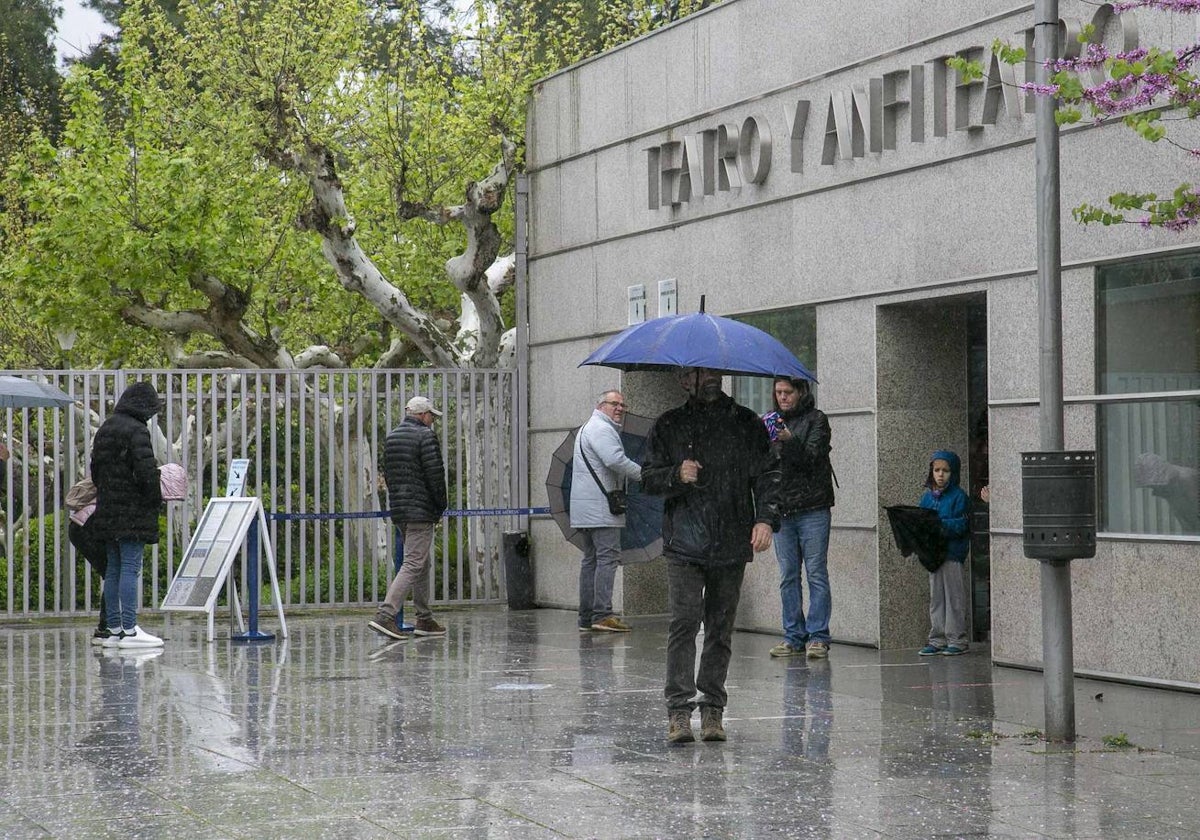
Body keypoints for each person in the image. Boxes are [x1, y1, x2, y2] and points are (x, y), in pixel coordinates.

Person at [642, 366, 780, 743]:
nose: (711, 378)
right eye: (701, 373)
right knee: (684, 624)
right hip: (684, 542)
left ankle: (713, 709)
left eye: (715, 371)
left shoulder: (745, 423)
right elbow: (647, 477)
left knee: (720, 628)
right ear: (684, 380)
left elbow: (767, 475)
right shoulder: (669, 424)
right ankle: (678, 711)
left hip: (732, 540)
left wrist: (766, 519)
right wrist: (675, 474)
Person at [89, 382, 165, 648]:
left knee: (113, 568)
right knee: (131, 567)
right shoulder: (137, 431)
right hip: (133, 511)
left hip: (108, 508)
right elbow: (146, 473)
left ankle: (113, 628)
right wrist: (156, 498)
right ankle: (131, 630)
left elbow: (95, 471)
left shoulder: (105, 429)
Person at [766, 376, 835, 661]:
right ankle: (793, 635)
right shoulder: (773, 422)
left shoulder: (816, 419)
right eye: (778, 392)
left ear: (800, 392)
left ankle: (818, 636)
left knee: (816, 572)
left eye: (788, 392)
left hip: (813, 506)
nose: (783, 397)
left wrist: (788, 440)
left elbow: (812, 457)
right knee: (788, 575)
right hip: (783, 508)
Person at [369, 396, 449, 641]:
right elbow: (435, 475)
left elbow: (389, 476)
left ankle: (424, 618)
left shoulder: (392, 437)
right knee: (414, 563)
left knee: (420, 563)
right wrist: (441, 505)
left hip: (401, 511)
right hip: (421, 511)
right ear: (422, 415)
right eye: (431, 416)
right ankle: (386, 614)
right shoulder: (425, 437)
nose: (433, 421)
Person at [570, 390, 642, 632]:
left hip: (586, 508)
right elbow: (615, 460)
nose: (620, 408)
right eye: (614, 403)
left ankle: (586, 617)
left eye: (623, 404)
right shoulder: (601, 428)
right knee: (607, 558)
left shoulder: (588, 427)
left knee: (591, 560)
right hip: (601, 508)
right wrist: (645, 474)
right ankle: (602, 613)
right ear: (601, 405)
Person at [918, 449, 970, 656]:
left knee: (954, 597)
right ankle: (937, 638)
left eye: (945, 471)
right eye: (937, 470)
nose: (940, 475)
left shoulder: (959, 497)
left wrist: (937, 524)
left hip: (951, 554)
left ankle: (957, 638)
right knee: (936, 597)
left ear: (953, 473)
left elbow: (961, 525)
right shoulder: (927, 497)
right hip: (933, 555)